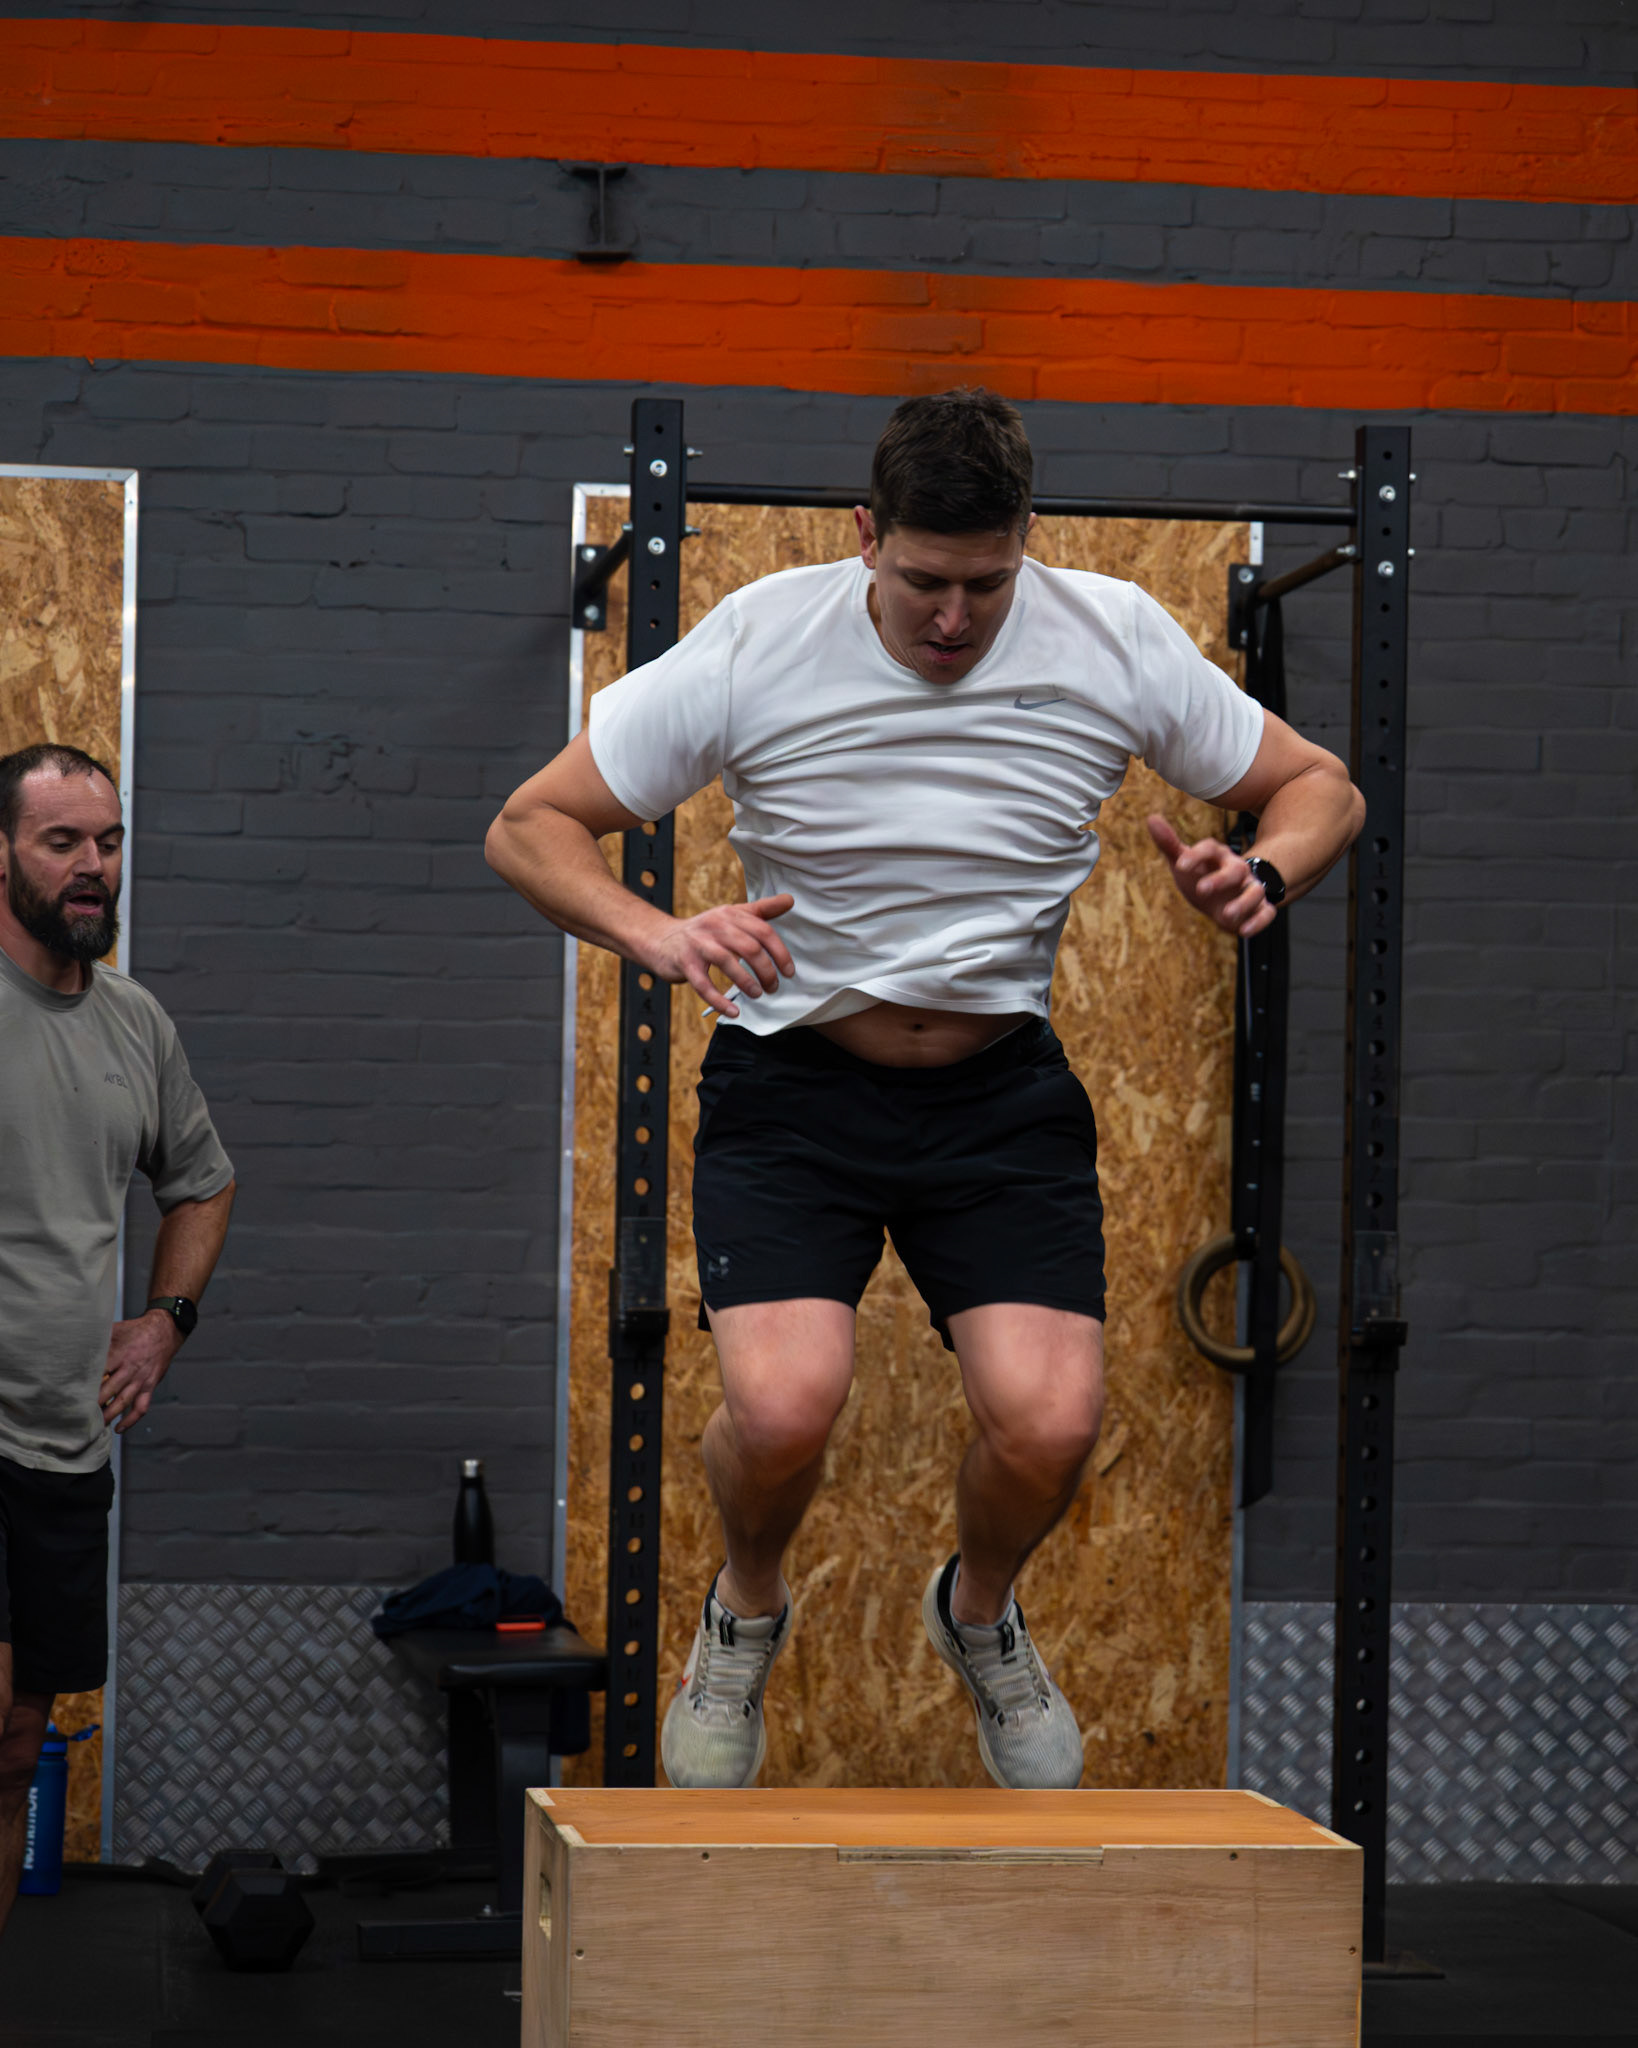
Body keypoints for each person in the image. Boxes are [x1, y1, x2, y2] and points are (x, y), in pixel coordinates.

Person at [487, 390, 1363, 1792]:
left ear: (1027, 540)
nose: (953, 618)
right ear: (864, 535)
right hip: (793, 1082)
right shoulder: (762, 638)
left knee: (1050, 1422)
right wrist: (658, 934)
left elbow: (1321, 786)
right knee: (785, 1407)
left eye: (985, 584)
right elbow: (530, 823)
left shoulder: (1113, 635)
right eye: (922, 582)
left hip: (995, 1095)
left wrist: (1263, 869)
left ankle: (977, 1612)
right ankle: (745, 1609)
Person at [0, 745, 235, 1928]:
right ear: (3, 853)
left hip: (61, 1441)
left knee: (15, 1746)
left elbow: (203, 1181)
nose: (93, 865)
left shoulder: (135, 1023)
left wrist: (163, 1321)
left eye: (108, 840)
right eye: (62, 842)